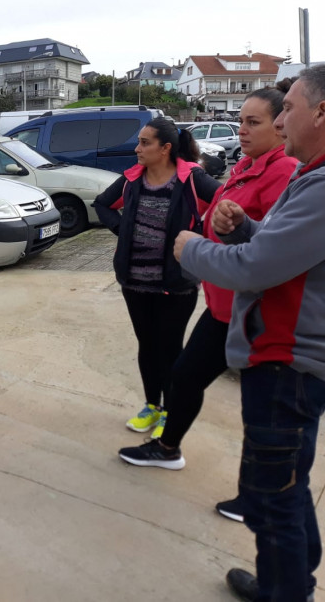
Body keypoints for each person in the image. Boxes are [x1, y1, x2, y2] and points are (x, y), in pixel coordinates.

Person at [174, 64, 325, 602]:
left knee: (272, 497)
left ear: (322, 112)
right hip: (288, 356)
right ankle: (288, 582)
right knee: (284, 488)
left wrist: (191, 249)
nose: (281, 117)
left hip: (288, 361)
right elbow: (287, 245)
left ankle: (286, 590)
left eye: (288, 106)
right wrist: (244, 227)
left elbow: (256, 269)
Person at [118, 83, 299, 490]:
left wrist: (198, 247)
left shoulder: (283, 171)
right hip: (223, 305)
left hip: (254, 310)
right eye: (241, 121)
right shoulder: (249, 167)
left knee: (262, 404)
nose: (242, 130)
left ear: (281, 125)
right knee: (184, 376)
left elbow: (276, 246)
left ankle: (266, 496)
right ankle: (168, 448)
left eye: (254, 122)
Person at [94, 118, 219, 436]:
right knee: (147, 346)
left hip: (175, 286)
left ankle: (170, 413)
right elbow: (102, 204)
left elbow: (223, 203)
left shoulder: (192, 179)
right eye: (139, 141)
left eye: (145, 143)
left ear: (165, 148)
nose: (137, 148)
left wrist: (198, 237)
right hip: (134, 283)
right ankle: (152, 406)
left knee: (171, 349)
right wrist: (122, 230)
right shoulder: (132, 180)